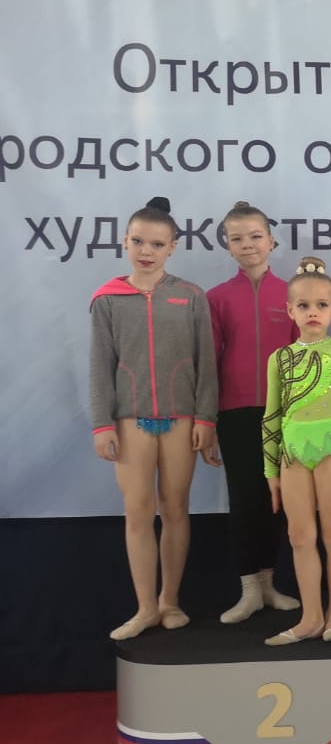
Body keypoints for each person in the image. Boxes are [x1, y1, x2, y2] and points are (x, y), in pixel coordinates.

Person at [90, 197, 219, 641]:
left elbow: (206, 363)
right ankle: (145, 607)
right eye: (139, 241)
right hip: (130, 421)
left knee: (176, 508)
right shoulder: (108, 299)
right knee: (138, 511)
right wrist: (102, 424)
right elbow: (99, 366)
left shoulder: (191, 296)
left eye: (157, 244)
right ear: (125, 241)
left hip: (183, 419)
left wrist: (206, 418)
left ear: (173, 247)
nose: (147, 251)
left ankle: (170, 601)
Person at [261, 258, 331, 645]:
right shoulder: (279, 359)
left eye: (321, 305)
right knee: (299, 536)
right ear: (290, 310)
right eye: (304, 305)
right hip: (292, 454)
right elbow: (271, 416)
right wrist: (270, 472)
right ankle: (310, 617)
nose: (313, 312)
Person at [207, 201, 301, 623]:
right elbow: (210, 361)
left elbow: (306, 355)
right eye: (237, 238)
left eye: (255, 236)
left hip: (286, 413)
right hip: (235, 413)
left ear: (272, 241)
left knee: (276, 500)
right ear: (228, 246)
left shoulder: (293, 294)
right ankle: (248, 590)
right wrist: (207, 420)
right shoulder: (217, 298)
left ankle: (269, 584)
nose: (247, 244)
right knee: (245, 499)